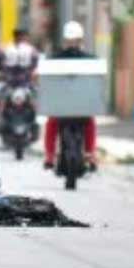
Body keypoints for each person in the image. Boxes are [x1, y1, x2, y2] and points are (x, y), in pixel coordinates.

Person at [42, 21, 97, 171]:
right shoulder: (90, 59)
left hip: (64, 106)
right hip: (78, 105)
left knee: (52, 123)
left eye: (74, 41)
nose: (72, 44)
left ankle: (50, 156)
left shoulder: (55, 58)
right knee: (87, 122)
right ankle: (89, 154)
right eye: (71, 41)